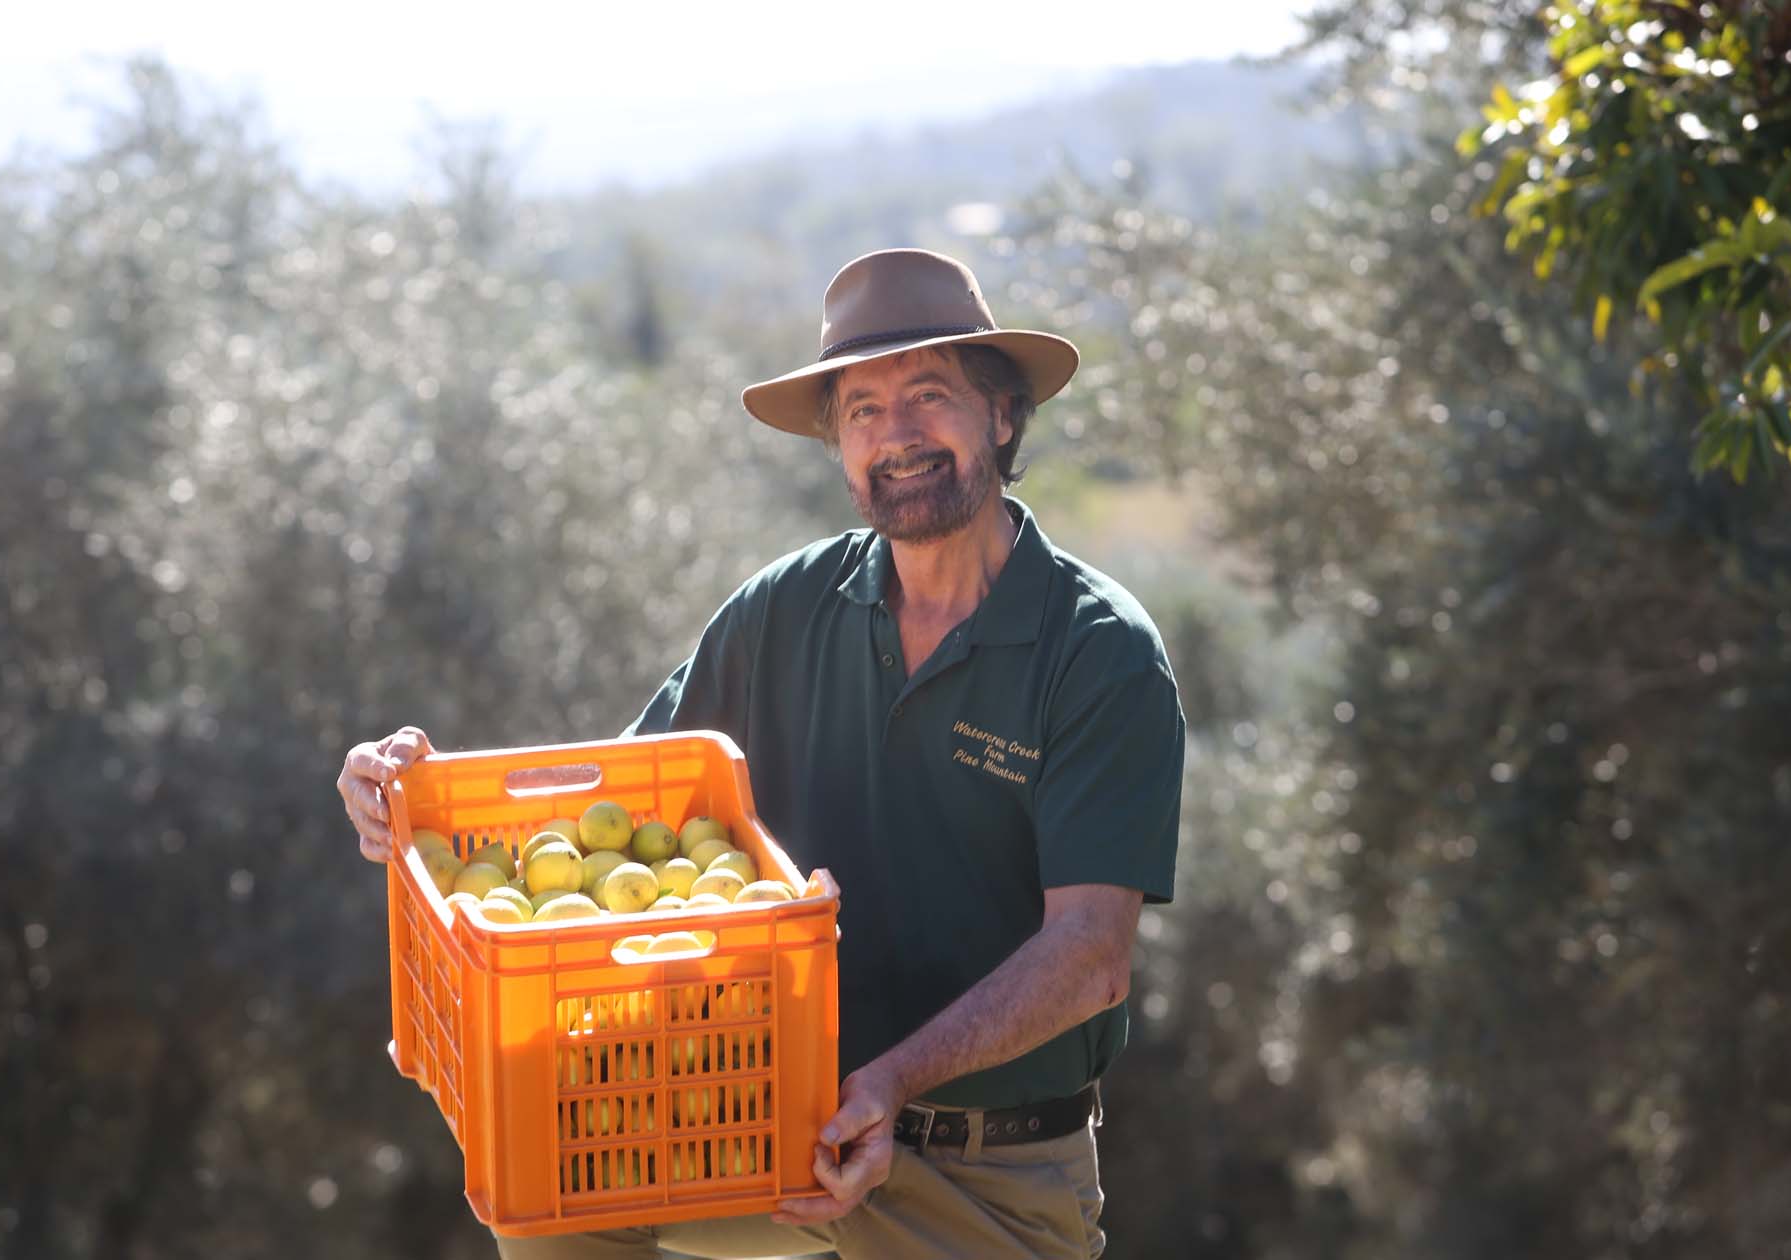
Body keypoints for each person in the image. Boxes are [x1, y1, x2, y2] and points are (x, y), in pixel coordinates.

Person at [338, 247, 1186, 1259]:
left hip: (983, 1165)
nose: (898, 436)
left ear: (1003, 415)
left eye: (929, 395)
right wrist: (416, 793)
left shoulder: (1097, 652)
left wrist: (892, 1082)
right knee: (547, 1203)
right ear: (836, 445)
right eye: (863, 410)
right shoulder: (785, 608)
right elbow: (615, 812)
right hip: (759, 1113)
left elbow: (1090, 961)